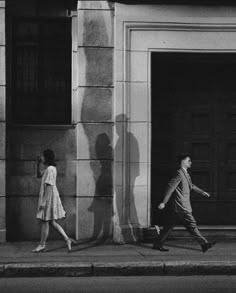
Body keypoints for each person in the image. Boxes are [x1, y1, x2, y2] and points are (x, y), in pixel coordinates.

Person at [153, 154, 216, 253]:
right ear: (182, 161)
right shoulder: (179, 174)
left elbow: (191, 185)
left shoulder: (186, 173)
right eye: (188, 161)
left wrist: (202, 192)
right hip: (182, 206)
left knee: (168, 227)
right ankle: (204, 244)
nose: (190, 162)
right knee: (192, 225)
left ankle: (157, 244)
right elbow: (170, 188)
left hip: (179, 207)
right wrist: (163, 202)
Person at [32, 149, 75, 252]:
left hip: (49, 198)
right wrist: (37, 164)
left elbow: (49, 187)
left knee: (45, 221)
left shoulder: (50, 169)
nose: (41, 157)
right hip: (49, 197)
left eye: (42, 156)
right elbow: (38, 175)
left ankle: (42, 244)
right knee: (51, 222)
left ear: (47, 157)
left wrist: (44, 202)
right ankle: (67, 239)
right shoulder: (49, 169)